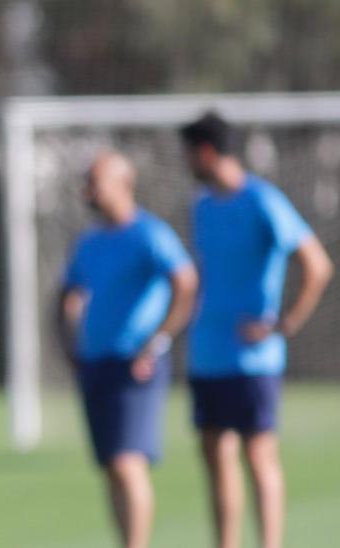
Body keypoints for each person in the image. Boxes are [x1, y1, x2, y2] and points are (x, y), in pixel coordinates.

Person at [179, 112, 333, 548]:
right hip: (206, 353)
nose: (185, 163)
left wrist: (284, 323)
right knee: (214, 454)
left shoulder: (263, 201)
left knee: (257, 454)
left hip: (253, 357)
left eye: (188, 154)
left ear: (206, 152)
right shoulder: (201, 206)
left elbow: (317, 265)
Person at [57, 151, 198, 548]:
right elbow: (66, 294)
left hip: (136, 365)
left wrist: (157, 339)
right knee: (111, 467)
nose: (86, 191)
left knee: (127, 461)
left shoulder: (149, 234)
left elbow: (184, 283)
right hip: (95, 362)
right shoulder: (89, 242)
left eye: (94, 181)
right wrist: (68, 342)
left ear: (122, 184)